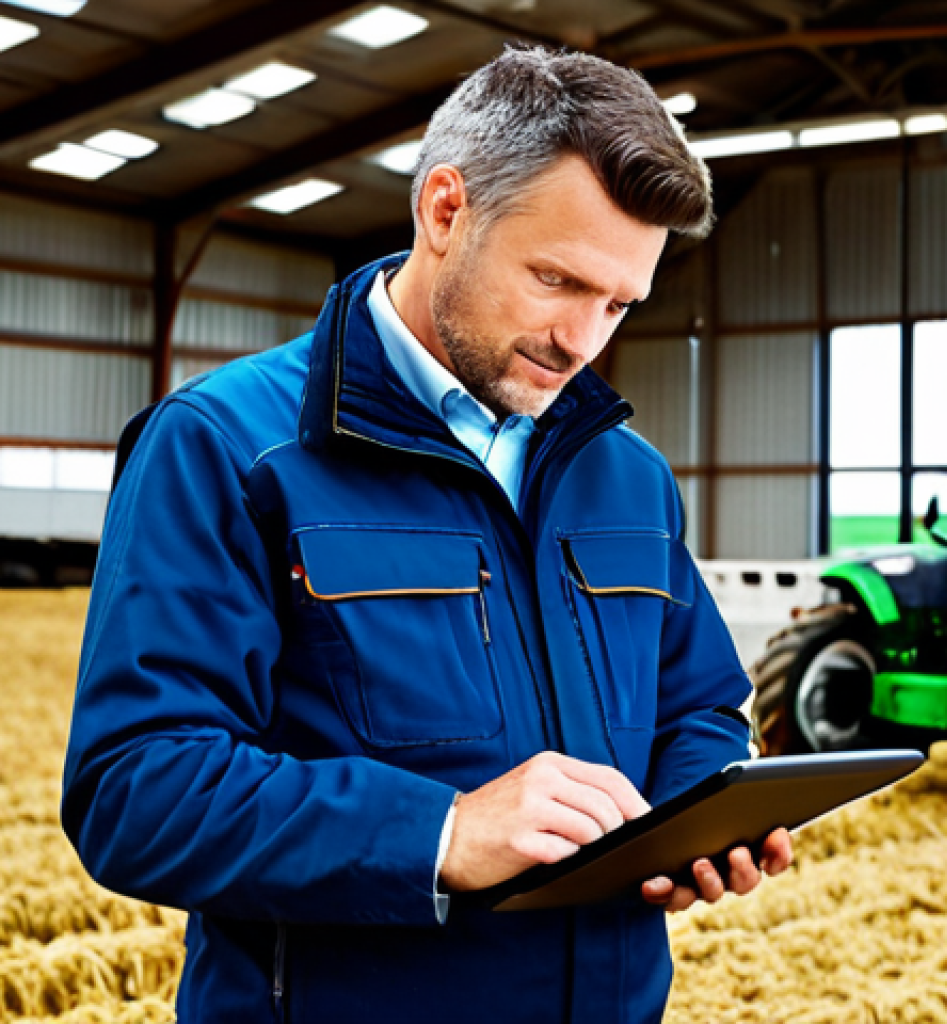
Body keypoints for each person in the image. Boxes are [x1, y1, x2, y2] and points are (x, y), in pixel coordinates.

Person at [62, 46, 792, 1024]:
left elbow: (698, 706)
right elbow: (135, 788)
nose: (584, 341)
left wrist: (702, 810)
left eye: (618, 303)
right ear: (445, 210)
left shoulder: (628, 477)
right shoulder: (232, 448)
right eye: (557, 280)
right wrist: (438, 829)